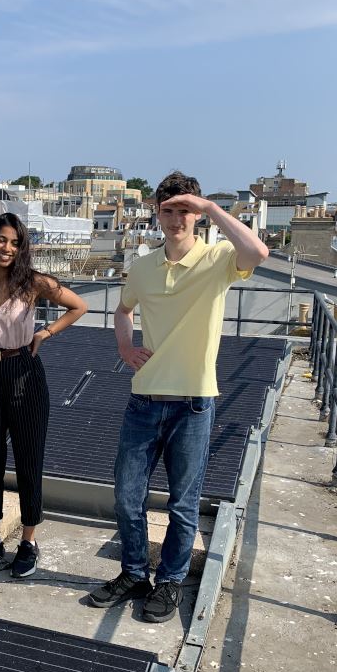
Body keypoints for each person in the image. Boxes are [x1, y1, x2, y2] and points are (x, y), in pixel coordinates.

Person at [87, 171, 268, 622]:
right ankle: (134, 573)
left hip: (193, 402)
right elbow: (123, 309)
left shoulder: (219, 259)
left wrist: (210, 209)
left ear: (197, 213)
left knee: (183, 504)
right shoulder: (144, 266)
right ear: (156, 213)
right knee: (128, 496)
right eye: (168, 210)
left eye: (184, 209)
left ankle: (169, 582)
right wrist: (126, 346)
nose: (176, 219)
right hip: (144, 398)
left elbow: (258, 252)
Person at [0, 213, 87, 577]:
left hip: (24, 373)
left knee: (29, 460)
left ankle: (29, 541)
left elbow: (79, 306)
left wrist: (46, 334)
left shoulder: (32, 283)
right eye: (2, 240)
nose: (7, 248)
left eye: (15, 242)